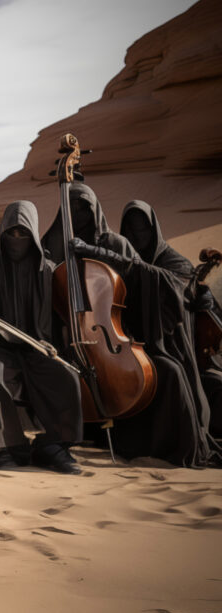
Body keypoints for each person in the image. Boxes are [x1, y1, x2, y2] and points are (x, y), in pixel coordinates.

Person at [0, 201, 84, 473]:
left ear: (33, 234)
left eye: (23, 234)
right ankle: (7, 448)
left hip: (37, 346)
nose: (17, 240)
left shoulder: (48, 270)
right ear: (3, 234)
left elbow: (65, 314)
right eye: (12, 233)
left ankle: (53, 446)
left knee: (66, 375)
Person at [114, 200, 217, 466]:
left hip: (172, 346)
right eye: (131, 230)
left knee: (176, 372)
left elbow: (185, 288)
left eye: (143, 230)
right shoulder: (121, 263)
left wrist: (203, 295)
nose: (138, 237)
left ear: (154, 229)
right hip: (129, 344)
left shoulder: (173, 261)